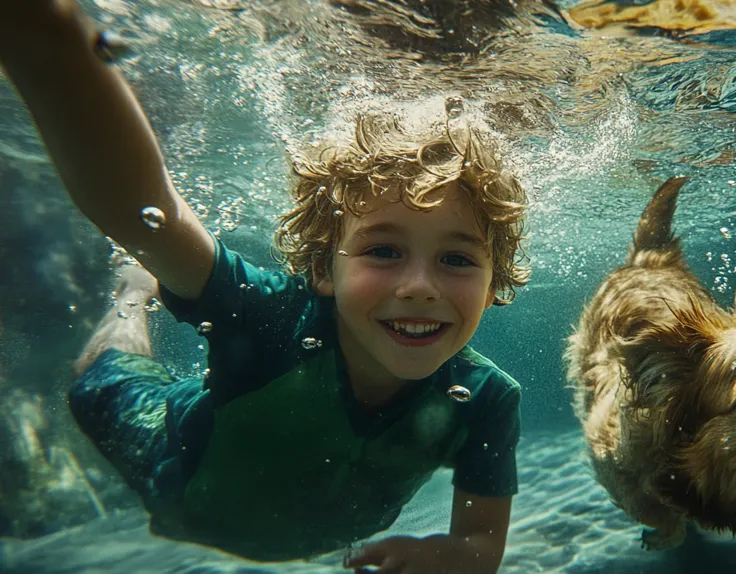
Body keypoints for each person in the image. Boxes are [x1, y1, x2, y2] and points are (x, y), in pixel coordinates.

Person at [0, 1, 530, 572]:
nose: (420, 286)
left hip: (279, 522)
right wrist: (50, 36)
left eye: (456, 258)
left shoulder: (488, 398)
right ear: (324, 268)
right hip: (168, 468)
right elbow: (144, 214)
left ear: (493, 284)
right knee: (96, 383)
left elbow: (479, 546)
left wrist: (445, 555)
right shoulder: (275, 317)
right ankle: (132, 295)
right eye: (383, 250)